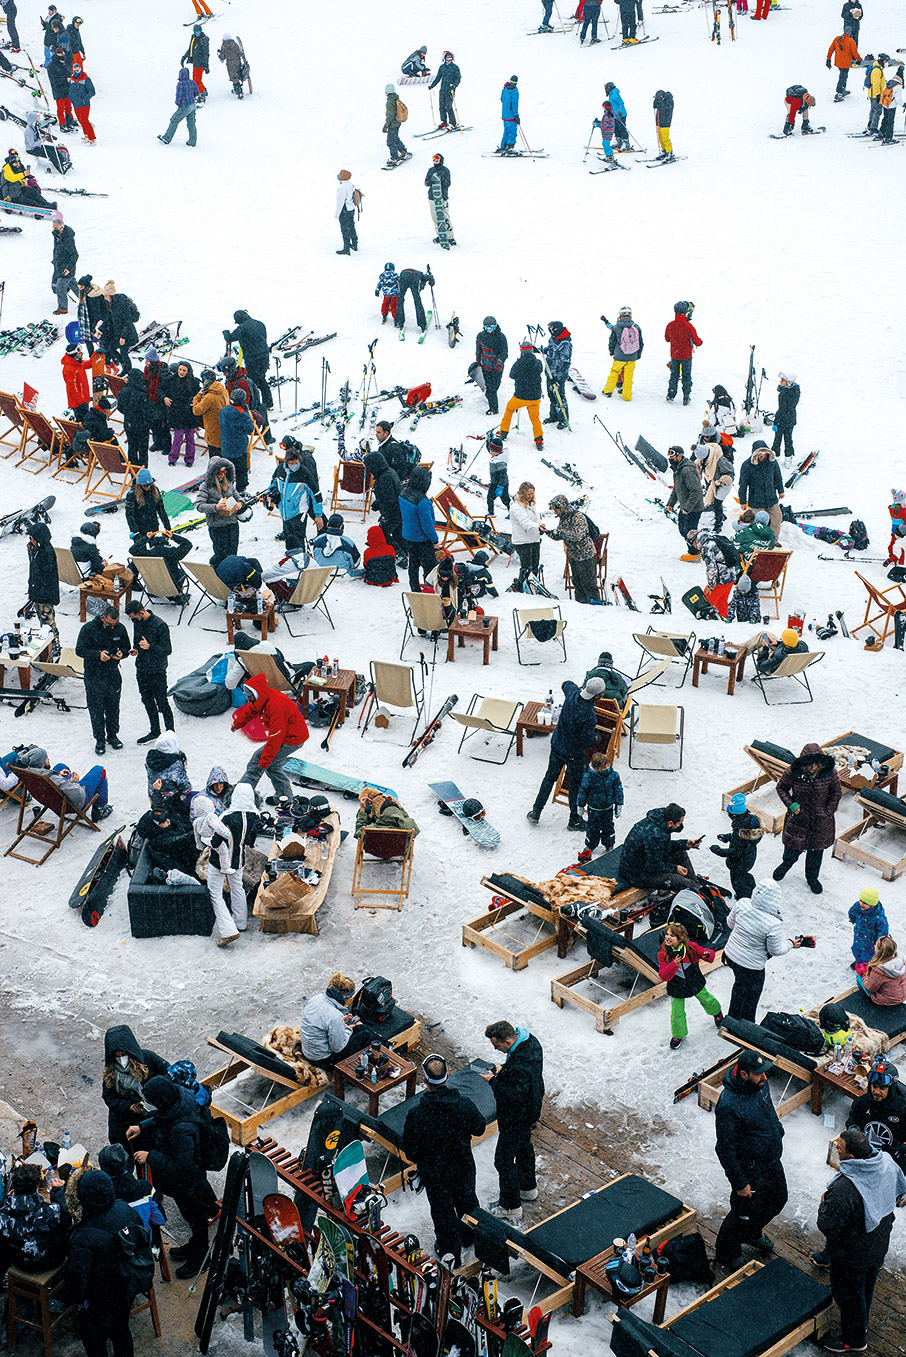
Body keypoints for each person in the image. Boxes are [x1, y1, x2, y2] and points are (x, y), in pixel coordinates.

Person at [814, 1128, 906, 1353]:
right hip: (878, 1244)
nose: (836, 1148)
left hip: (852, 1255)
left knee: (849, 1296)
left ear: (852, 1156)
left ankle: (854, 1340)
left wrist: (824, 1203)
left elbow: (827, 1225)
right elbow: (899, 1188)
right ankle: (861, 1325)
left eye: (839, 1148)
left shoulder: (845, 1188)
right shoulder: (886, 1162)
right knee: (866, 1288)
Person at [126, 1075, 218, 1278]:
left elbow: (181, 1165)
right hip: (182, 1182)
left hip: (188, 1182)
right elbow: (162, 1118)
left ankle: (202, 1257)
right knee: (193, 1217)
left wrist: (150, 1156)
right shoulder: (178, 1101)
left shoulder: (182, 1130)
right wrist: (143, 1126)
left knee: (196, 1218)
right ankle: (196, 1244)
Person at [403, 1055, 485, 1265]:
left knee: (443, 1212)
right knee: (468, 1202)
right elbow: (479, 1128)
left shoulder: (416, 1114)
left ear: (425, 1080)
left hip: (435, 1172)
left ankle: (450, 1252)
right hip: (462, 1166)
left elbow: (410, 1151)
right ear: (447, 1076)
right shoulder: (464, 1105)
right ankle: (469, 1235)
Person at [714, 1048, 788, 1270]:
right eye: (759, 1073)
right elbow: (724, 1148)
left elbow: (769, 1110)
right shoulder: (728, 1105)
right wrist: (740, 1183)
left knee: (778, 1199)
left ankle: (752, 1233)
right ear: (744, 1074)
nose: (764, 1077)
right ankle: (726, 1253)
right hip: (750, 1170)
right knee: (742, 1214)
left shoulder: (761, 1086)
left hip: (771, 1161)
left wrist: (778, 1130)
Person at [65, 1170, 140, 1354]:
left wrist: (77, 1302)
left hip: (100, 1300)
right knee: (122, 1334)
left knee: (96, 1344)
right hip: (125, 1289)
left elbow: (77, 1281)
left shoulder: (83, 1235)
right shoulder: (125, 1209)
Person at [481, 1021, 544, 1222]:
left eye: (497, 1045)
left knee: (503, 1160)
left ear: (508, 1041)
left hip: (516, 1117)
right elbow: (521, 1074)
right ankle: (528, 1188)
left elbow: (512, 1095)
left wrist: (493, 1081)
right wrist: (505, 1069)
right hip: (531, 1109)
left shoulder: (519, 1066)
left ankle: (510, 1207)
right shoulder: (531, 1043)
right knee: (524, 1147)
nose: (495, 1049)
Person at [722, 880, 807, 1022]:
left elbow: (730, 923)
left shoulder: (742, 903)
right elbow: (775, 950)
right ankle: (746, 1025)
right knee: (751, 997)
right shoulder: (773, 923)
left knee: (739, 986)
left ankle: (731, 1019)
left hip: (731, 955)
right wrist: (791, 943)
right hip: (751, 967)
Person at [527, 677, 604, 829]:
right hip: (574, 754)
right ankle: (574, 820)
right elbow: (587, 740)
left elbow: (565, 683)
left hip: (558, 746)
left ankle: (536, 812)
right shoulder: (589, 715)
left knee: (549, 778)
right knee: (575, 787)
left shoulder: (572, 694)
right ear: (597, 696)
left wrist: (580, 688)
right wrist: (596, 738)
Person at [191, 787, 258, 946]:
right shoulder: (253, 816)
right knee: (237, 888)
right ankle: (241, 922)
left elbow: (217, 841)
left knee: (215, 893)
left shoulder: (226, 817)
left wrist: (205, 840)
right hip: (239, 859)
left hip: (219, 861)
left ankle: (228, 931)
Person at [774, 742, 842, 894]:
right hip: (799, 819)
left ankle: (812, 878)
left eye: (816, 765)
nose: (813, 768)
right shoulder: (793, 772)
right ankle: (786, 865)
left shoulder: (830, 773)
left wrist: (828, 811)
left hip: (821, 821)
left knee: (816, 853)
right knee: (792, 849)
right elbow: (781, 788)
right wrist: (792, 805)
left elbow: (836, 792)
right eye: (809, 765)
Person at [232, 672, 309, 802]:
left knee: (259, 762)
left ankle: (241, 797)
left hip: (292, 738)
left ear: (256, 694)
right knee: (272, 765)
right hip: (287, 735)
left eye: (250, 696)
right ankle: (284, 799)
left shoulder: (276, 706)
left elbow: (276, 738)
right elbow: (252, 709)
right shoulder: (263, 698)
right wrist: (238, 722)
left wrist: (264, 761)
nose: (248, 698)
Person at [0, 1163, 70, 1286]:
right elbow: (67, 1223)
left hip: (19, 1261)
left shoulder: (3, 1214)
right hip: (51, 1261)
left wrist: (10, 1202)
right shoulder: (51, 1210)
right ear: (37, 1187)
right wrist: (58, 1193)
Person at [101, 1023, 170, 1147]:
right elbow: (108, 1097)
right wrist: (129, 1105)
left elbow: (168, 1075)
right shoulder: (110, 1071)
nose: (121, 1059)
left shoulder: (148, 1058)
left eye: (123, 1055)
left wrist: (154, 1096)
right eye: (117, 1056)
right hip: (123, 1123)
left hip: (151, 1117)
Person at [658, 919, 723, 1050]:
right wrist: (673, 965)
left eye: (672, 935)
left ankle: (717, 1013)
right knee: (677, 1013)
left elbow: (709, 955)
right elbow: (663, 975)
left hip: (694, 981)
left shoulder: (691, 947)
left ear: (681, 938)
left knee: (707, 1000)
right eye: (667, 934)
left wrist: (706, 954)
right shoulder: (663, 953)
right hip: (676, 986)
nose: (668, 937)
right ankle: (678, 1035)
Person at [76, 606, 131, 755]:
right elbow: (79, 650)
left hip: (112, 674)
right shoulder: (88, 629)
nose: (112, 627)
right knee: (96, 709)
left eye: (115, 624)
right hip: (94, 675)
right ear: (102, 618)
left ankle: (112, 735)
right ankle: (99, 739)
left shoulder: (120, 628)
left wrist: (122, 653)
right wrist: (98, 655)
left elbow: (126, 647)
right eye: (109, 624)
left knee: (113, 707)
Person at [620, 804, 703, 891]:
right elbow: (653, 866)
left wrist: (685, 844)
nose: (679, 826)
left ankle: (695, 885)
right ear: (670, 823)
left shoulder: (661, 819)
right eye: (678, 824)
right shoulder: (656, 836)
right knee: (675, 880)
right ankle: (694, 888)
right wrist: (675, 869)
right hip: (636, 874)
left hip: (645, 861)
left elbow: (662, 846)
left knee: (680, 852)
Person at [124, 600, 174, 744]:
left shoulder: (160, 625)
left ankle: (170, 733)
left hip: (157, 670)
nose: (133, 620)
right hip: (142, 669)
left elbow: (167, 650)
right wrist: (136, 649)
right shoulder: (137, 622)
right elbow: (137, 641)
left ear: (141, 613)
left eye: (134, 617)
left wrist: (150, 647)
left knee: (162, 702)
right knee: (147, 701)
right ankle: (155, 731)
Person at [298, 972, 372, 1068]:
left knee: (362, 1028)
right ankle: (384, 1050)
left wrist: (342, 1021)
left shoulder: (316, 999)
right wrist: (348, 1029)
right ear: (344, 997)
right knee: (366, 1035)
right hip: (323, 1060)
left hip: (309, 1051)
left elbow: (323, 1020)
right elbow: (337, 1048)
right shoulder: (335, 1017)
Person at [846, 1064, 906, 1168]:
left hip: (892, 1164)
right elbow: (852, 1122)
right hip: (865, 1158)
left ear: (891, 1088)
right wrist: (853, 1133)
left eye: (882, 1088)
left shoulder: (903, 1109)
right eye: (874, 1086)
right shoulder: (862, 1102)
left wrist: (898, 1150)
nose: (876, 1092)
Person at [541, 495, 599, 603]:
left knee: (589, 585)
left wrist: (560, 532)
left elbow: (577, 535)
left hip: (586, 556)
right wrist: (548, 532)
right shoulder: (563, 518)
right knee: (577, 584)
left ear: (562, 507)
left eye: (556, 509)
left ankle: (595, 606)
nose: (555, 512)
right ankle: (580, 605)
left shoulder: (577, 516)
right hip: (574, 557)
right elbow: (560, 535)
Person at [267, 442, 324, 551]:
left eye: (296, 462)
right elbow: (274, 482)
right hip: (285, 512)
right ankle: (291, 558)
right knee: (290, 541)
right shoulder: (280, 470)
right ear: (286, 462)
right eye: (291, 463)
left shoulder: (304, 473)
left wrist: (318, 515)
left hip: (299, 512)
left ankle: (301, 556)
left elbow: (316, 494)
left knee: (299, 540)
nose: (294, 465)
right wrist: (271, 491)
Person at [710, 795, 764, 901]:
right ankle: (752, 891)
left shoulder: (739, 829)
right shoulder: (751, 821)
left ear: (734, 816)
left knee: (738, 884)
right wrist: (728, 837)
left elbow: (735, 851)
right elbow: (743, 839)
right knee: (745, 876)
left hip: (739, 862)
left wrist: (718, 850)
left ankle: (744, 899)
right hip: (749, 856)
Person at [577, 750, 624, 861]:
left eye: (608, 765)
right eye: (604, 767)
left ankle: (609, 844)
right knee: (593, 827)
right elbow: (582, 792)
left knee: (608, 826)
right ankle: (590, 844)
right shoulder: (589, 777)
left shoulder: (613, 775)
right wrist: (580, 806)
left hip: (608, 808)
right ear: (596, 768)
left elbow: (618, 790)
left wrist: (618, 806)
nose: (607, 768)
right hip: (594, 808)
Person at [399, 466, 439, 592]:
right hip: (422, 539)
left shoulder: (403, 493)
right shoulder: (422, 501)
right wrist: (435, 540)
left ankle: (415, 588)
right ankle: (429, 590)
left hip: (408, 535)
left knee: (413, 565)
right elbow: (427, 525)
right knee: (430, 567)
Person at [223, 310, 271, 412]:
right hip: (264, 356)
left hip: (252, 358)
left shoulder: (243, 327)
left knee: (252, 382)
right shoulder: (260, 323)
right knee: (261, 378)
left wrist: (225, 333)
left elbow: (230, 338)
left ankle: (256, 406)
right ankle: (268, 402)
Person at [197, 456, 242, 566]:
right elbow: (199, 506)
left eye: (224, 472)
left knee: (232, 554)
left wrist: (240, 504)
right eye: (219, 472)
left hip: (232, 524)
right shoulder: (205, 486)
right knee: (221, 555)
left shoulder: (229, 483)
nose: (222, 475)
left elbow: (239, 497)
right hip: (217, 526)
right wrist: (215, 507)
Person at [499, 340, 544, 449]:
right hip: (534, 397)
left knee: (509, 409)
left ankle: (503, 432)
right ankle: (538, 439)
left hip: (520, 396)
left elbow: (511, 375)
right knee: (535, 418)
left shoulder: (519, 363)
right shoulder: (538, 363)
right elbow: (540, 369)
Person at [738, 441, 785, 542]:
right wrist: (742, 501)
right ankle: (760, 541)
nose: (760, 456)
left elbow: (778, 477)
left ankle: (773, 540)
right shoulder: (747, 465)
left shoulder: (772, 462)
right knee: (758, 523)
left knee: (777, 518)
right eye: (758, 454)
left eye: (762, 454)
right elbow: (743, 484)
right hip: (756, 500)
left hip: (771, 497)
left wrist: (780, 491)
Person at [363, 448, 404, 561]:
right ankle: (403, 551)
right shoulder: (389, 471)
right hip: (399, 510)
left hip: (393, 513)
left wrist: (384, 514)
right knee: (397, 533)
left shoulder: (384, 478)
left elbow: (388, 499)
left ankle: (400, 555)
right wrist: (378, 502)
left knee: (382, 534)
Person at [26, 520, 60, 651]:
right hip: (38, 592)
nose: (31, 540)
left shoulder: (46, 553)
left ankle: (55, 644)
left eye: (32, 537)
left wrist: (41, 598)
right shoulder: (38, 550)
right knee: (43, 620)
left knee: (48, 621)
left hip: (45, 595)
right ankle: (49, 645)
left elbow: (47, 579)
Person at [666, 445, 704, 555]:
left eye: (672, 456)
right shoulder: (678, 469)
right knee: (683, 530)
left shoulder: (687, 470)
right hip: (686, 507)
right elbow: (677, 488)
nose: (670, 458)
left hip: (693, 508)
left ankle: (695, 552)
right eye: (669, 456)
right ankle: (694, 550)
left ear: (679, 456)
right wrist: (671, 503)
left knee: (690, 533)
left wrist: (688, 508)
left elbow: (696, 490)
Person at [163, 360, 201, 468]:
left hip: (189, 413)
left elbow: (198, 394)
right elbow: (161, 389)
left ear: (188, 371)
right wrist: (164, 397)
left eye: (184, 370)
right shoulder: (171, 379)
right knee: (177, 437)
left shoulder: (194, 382)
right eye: (180, 369)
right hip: (177, 412)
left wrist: (193, 399)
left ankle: (189, 459)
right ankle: (172, 458)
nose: (181, 372)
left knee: (190, 438)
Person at [664, 301, 702, 406]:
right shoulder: (688, 325)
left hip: (675, 355)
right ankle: (686, 396)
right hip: (686, 355)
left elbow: (667, 339)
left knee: (674, 375)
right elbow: (696, 341)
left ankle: (671, 395)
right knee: (686, 376)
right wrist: (700, 342)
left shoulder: (670, 325)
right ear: (686, 312)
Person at [602, 306, 643, 400]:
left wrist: (612, 352)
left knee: (614, 373)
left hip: (619, 356)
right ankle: (627, 396)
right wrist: (638, 354)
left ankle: (608, 391)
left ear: (620, 315)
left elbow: (612, 341)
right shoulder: (636, 327)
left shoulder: (617, 327)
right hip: (632, 356)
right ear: (630, 316)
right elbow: (640, 342)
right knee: (628, 377)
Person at [219, 388, 254, 492]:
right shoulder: (242, 415)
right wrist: (246, 414)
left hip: (226, 447)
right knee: (241, 471)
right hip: (239, 448)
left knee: (227, 471)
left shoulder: (223, 411)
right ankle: (241, 490)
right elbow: (250, 429)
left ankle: (226, 489)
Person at [354, 786, 420, 839]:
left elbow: (358, 833)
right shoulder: (406, 830)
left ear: (382, 813)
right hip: (397, 849)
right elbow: (412, 827)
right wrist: (400, 807)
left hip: (375, 849)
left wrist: (362, 810)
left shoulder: (372, 829)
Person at [116, 369, 152, 466]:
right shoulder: (141, 394)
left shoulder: (123, 391)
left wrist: (128, 413)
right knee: (143, 450)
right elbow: (146, 412)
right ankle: (143, 470)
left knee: (132, 447)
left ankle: (133, 469)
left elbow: (120, 407)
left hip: (129, 423)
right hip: (141, 425)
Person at [848, 886, 890, 970]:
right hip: (858, 936)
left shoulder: (878, 917)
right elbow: (852, 911)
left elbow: (883, 930)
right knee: (855, 951)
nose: (861, 904)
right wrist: (853, 919)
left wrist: (879, 942)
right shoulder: (857, 906)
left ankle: (867, 966)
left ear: (872, 904)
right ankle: (858, 962)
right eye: (861, 900)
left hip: (870, 943)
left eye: (865, 903)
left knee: (867, 956)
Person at [192, 367, 229, 457]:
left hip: (213, 431)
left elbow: (196, 410)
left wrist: (197, 396)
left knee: (214, 457)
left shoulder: (209, 397)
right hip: (224, 427)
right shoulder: (223, 390)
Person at [475, 316, 508, 417]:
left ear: (496, 327)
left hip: (497, 368)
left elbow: (504, 353)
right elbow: (478, 350)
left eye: (492, 328)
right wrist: (478, 362)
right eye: (487, 328)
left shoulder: (501, 337)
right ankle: (493, 409)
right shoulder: (480, 336)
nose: (489, 330)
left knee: (495, 387)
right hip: (485, 367)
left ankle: (491, 398)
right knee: (490, 389)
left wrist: (498, 365)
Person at [858, 937, 906, 1006]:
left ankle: (864, 1002)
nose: (874, 945)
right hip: (901, 996)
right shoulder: (902, 960)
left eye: (876, 945)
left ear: (880, 951)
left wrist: (864, 975)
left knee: (858, 977)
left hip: (886, 1000)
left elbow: (870, 988)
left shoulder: (879, 970)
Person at [125, 467, 170, 540]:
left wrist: (167, 527)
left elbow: (161, 509)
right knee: (141, 547)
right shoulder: (132, 495)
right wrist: (135, 532)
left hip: (153, 526)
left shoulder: (155, 490)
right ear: (140, 485)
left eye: (150, 484)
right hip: (139, 528)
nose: (148, 487)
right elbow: (129, 515)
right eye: (145, 485)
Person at [158, 65, 197, 147]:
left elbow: (179, 96)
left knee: (174, 120)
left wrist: (178, 103)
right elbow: (196, 93)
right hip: (193, 105)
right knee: (191, 123)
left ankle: (167, 138)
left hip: (185, 106)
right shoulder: (192, 82)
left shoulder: (180, 84)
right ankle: (192, 141)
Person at [542, 321, 571, 429]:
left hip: (558, 376)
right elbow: (551, 350)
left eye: (551, 328)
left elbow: (565, 363)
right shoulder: (553, 338)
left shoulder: (565, 344)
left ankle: (563, 419)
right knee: (551, 395)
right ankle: (553, 416)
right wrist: (541, 350)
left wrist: (557, 377)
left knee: (560, 396)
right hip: (550, 372)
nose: (550, 330)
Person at [51, 213, 79, 315]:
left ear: (61, 228)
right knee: (73, 285)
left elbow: (74, 255)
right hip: (59, 266)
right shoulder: (57, 236)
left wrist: (68, 268)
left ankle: (62, 308)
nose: (54, 230)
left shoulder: (68, 239)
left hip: (66, 268)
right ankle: (87, 300)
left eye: (56, 228)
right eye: (53, 227)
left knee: (60, 288)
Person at [425, 152, 455, 245]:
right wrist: (432, 179)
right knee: (435, 217)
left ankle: (450, 236)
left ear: (441, 160)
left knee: (445, 217)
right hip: (432, 197)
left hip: (442, 197)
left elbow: (448, 184)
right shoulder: (431, 170)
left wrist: (441, 178)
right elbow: (426, 183)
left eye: (437, 160)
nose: (435, 161)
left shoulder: (446, 170)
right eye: (434, 160)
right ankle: (440, 235)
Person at [144, 349, 171, 454]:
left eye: (147, 361)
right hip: (150, 400)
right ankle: (157, 442)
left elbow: (165, 387)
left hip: (159, 402)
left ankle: (166, 445)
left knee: (163, 425)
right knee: (153, 424)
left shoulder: (162, 371)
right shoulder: (147, 369)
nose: (146, 362)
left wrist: (163, 396)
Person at [428, 50, 461, 130]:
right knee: (441, 106)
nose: (449, 60)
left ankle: (453, 123)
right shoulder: (442, 67)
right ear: (444, 59)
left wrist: (454, 85)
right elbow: (438, 78)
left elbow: (458, 78)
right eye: (447, 59)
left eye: (450, 59)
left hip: (450, 90)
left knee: (448, 107)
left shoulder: (455, 67)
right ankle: (444, 121)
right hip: (442, 89)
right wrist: (432, 85)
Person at [396, 266, 433, 335]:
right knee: (417, 301)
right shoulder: (422, 275)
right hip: (413, 278)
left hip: (403, 275)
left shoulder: (419, 275)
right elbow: (430, 277)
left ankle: (399, 322)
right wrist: (432, 282)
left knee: (400, 300)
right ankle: (422, 325)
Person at [771, 372, 800, 462]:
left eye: (783, 380)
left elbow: (782, 409)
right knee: (788, 439)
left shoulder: (785, 394)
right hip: (791, 419)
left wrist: (776, 421)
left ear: (788, 382)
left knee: (777, 440)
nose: (780, 382)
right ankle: (788, 458)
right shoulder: (795, 390)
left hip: (782, 420)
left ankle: (775, 459)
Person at [827, 30, 861, 101]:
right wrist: (859, 60)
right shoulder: (851, 41)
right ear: (850, 33)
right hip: (845, 63)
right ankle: (839, 92)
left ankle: (843, 89)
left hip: (838, 62)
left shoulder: (837, 39)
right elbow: (854, 53)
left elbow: (831, 49)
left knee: (844, 76)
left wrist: (828, 59)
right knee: (843, 77)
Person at [48, 45, 76, 130]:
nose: (63, 61)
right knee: (60, 109)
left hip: (67, 89)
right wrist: (65, 80)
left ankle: (70, 122)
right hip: (58, 90)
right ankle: (62, 124)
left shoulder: (64, 64)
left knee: (68, 107)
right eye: (61, 60)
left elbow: (68, 73)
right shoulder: (52, 66)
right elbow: (53, 81)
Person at [69, 60, 96, 143]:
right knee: (80, 120)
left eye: (77, 70)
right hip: (75, 103)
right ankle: (86, 135)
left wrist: (85, 99)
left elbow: (92, 91)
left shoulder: (86, 79)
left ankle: (92, 138)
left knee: (85, 120)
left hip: (84, 104)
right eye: (74, 70)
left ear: (80, 69)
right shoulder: (72, 79)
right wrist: (71, 98)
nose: (76, 72)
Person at [335, 168, 359, 256]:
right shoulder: (350, 184)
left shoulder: (342, 187)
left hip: (344, 209)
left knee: (345, 229)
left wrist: (337, 214)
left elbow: (340, 202)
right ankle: (355, 244)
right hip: (351, 208)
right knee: (351, 226)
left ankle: (346, 248)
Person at [383, 82, 408, 165]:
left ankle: (394, 158)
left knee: (390, 142)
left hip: (392, 124)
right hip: (397, 122)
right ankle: (403, 151)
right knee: (395, 138)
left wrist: (386, 125)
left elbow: (390, 115)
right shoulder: (396, 99)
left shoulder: (390, 102)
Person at [485, 432, 510, 517]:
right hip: (494, 482)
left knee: (505, 500)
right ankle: (491, 512)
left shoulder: (501, 462)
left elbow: (503, 476)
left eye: (492, 450)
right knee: (489, 497)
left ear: (497, 451)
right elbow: (489, 448)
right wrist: (488, 439)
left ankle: (511, 512)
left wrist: (500, 487)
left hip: (502, 484)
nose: (490, 451)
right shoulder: (495, 454)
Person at [183, 23, 209, 98]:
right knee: (196, 79)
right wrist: (184, 57)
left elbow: (206, 53)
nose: (197, 33)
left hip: (201, 62)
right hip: (195, 62)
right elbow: (190, 49)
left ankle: (201, 93)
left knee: (196, 80)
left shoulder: (203, 40)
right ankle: (202, 90)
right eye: (196, 32)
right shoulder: (193, 38)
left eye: (199, 31)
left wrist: (206, 65)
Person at [878, 73, 903, 144]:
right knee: (890, 121)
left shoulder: (889, 82)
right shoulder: (898, 86)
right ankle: (888, 137)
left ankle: (881, 133)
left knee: (885, 118)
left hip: (885, 104)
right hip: (892, 105)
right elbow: (898, 99)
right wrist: (903, 105)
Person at [217, 33, 245, 98]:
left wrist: (219, 54)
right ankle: (237, 88)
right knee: (237, 74)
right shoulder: (235, 44)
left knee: (233, 77)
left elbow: (222, 57)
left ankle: (239, 91)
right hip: (237, 62)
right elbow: (239, 52)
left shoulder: (224, 46)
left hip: (230, 63)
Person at [498, 74, 519, 153]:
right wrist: (516, 115)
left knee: (506, 130)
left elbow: (502, 99)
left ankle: (503, 145)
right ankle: (510, 146)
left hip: (504, 115)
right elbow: (514, 104)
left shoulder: (504, 89)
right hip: (511, 116)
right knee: (512, 131)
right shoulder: (515, 92)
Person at [653, 88, 674, 157]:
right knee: (660, 138)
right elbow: (655, 107)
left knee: (665, 138)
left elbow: (663, 109)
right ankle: (664, 151)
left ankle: (670, 152)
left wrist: (660, 102)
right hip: (659, 121)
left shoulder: (670, 100)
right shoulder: (662, 100)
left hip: (665, 122)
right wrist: (656, 101)